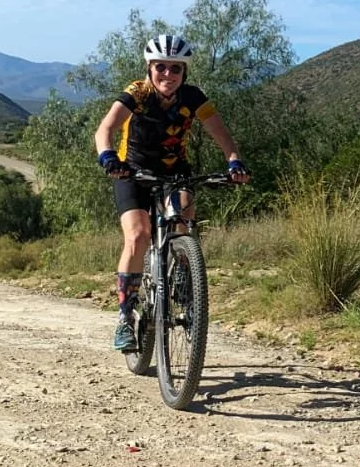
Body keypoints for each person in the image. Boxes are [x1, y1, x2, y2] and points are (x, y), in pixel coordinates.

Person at [93, 33, 250, 353]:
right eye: (160, 67)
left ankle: (183, 277)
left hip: (174, 172)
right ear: (150, 68)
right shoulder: (136, 93)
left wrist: (234, 161)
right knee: (138, 235)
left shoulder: (193, 97)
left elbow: (222, 134)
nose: (167, 74)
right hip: (132, 172)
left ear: (184, 72)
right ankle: (125, 316)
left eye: (175, 69)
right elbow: (105, 128)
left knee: (183, 215)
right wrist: (108, 156)